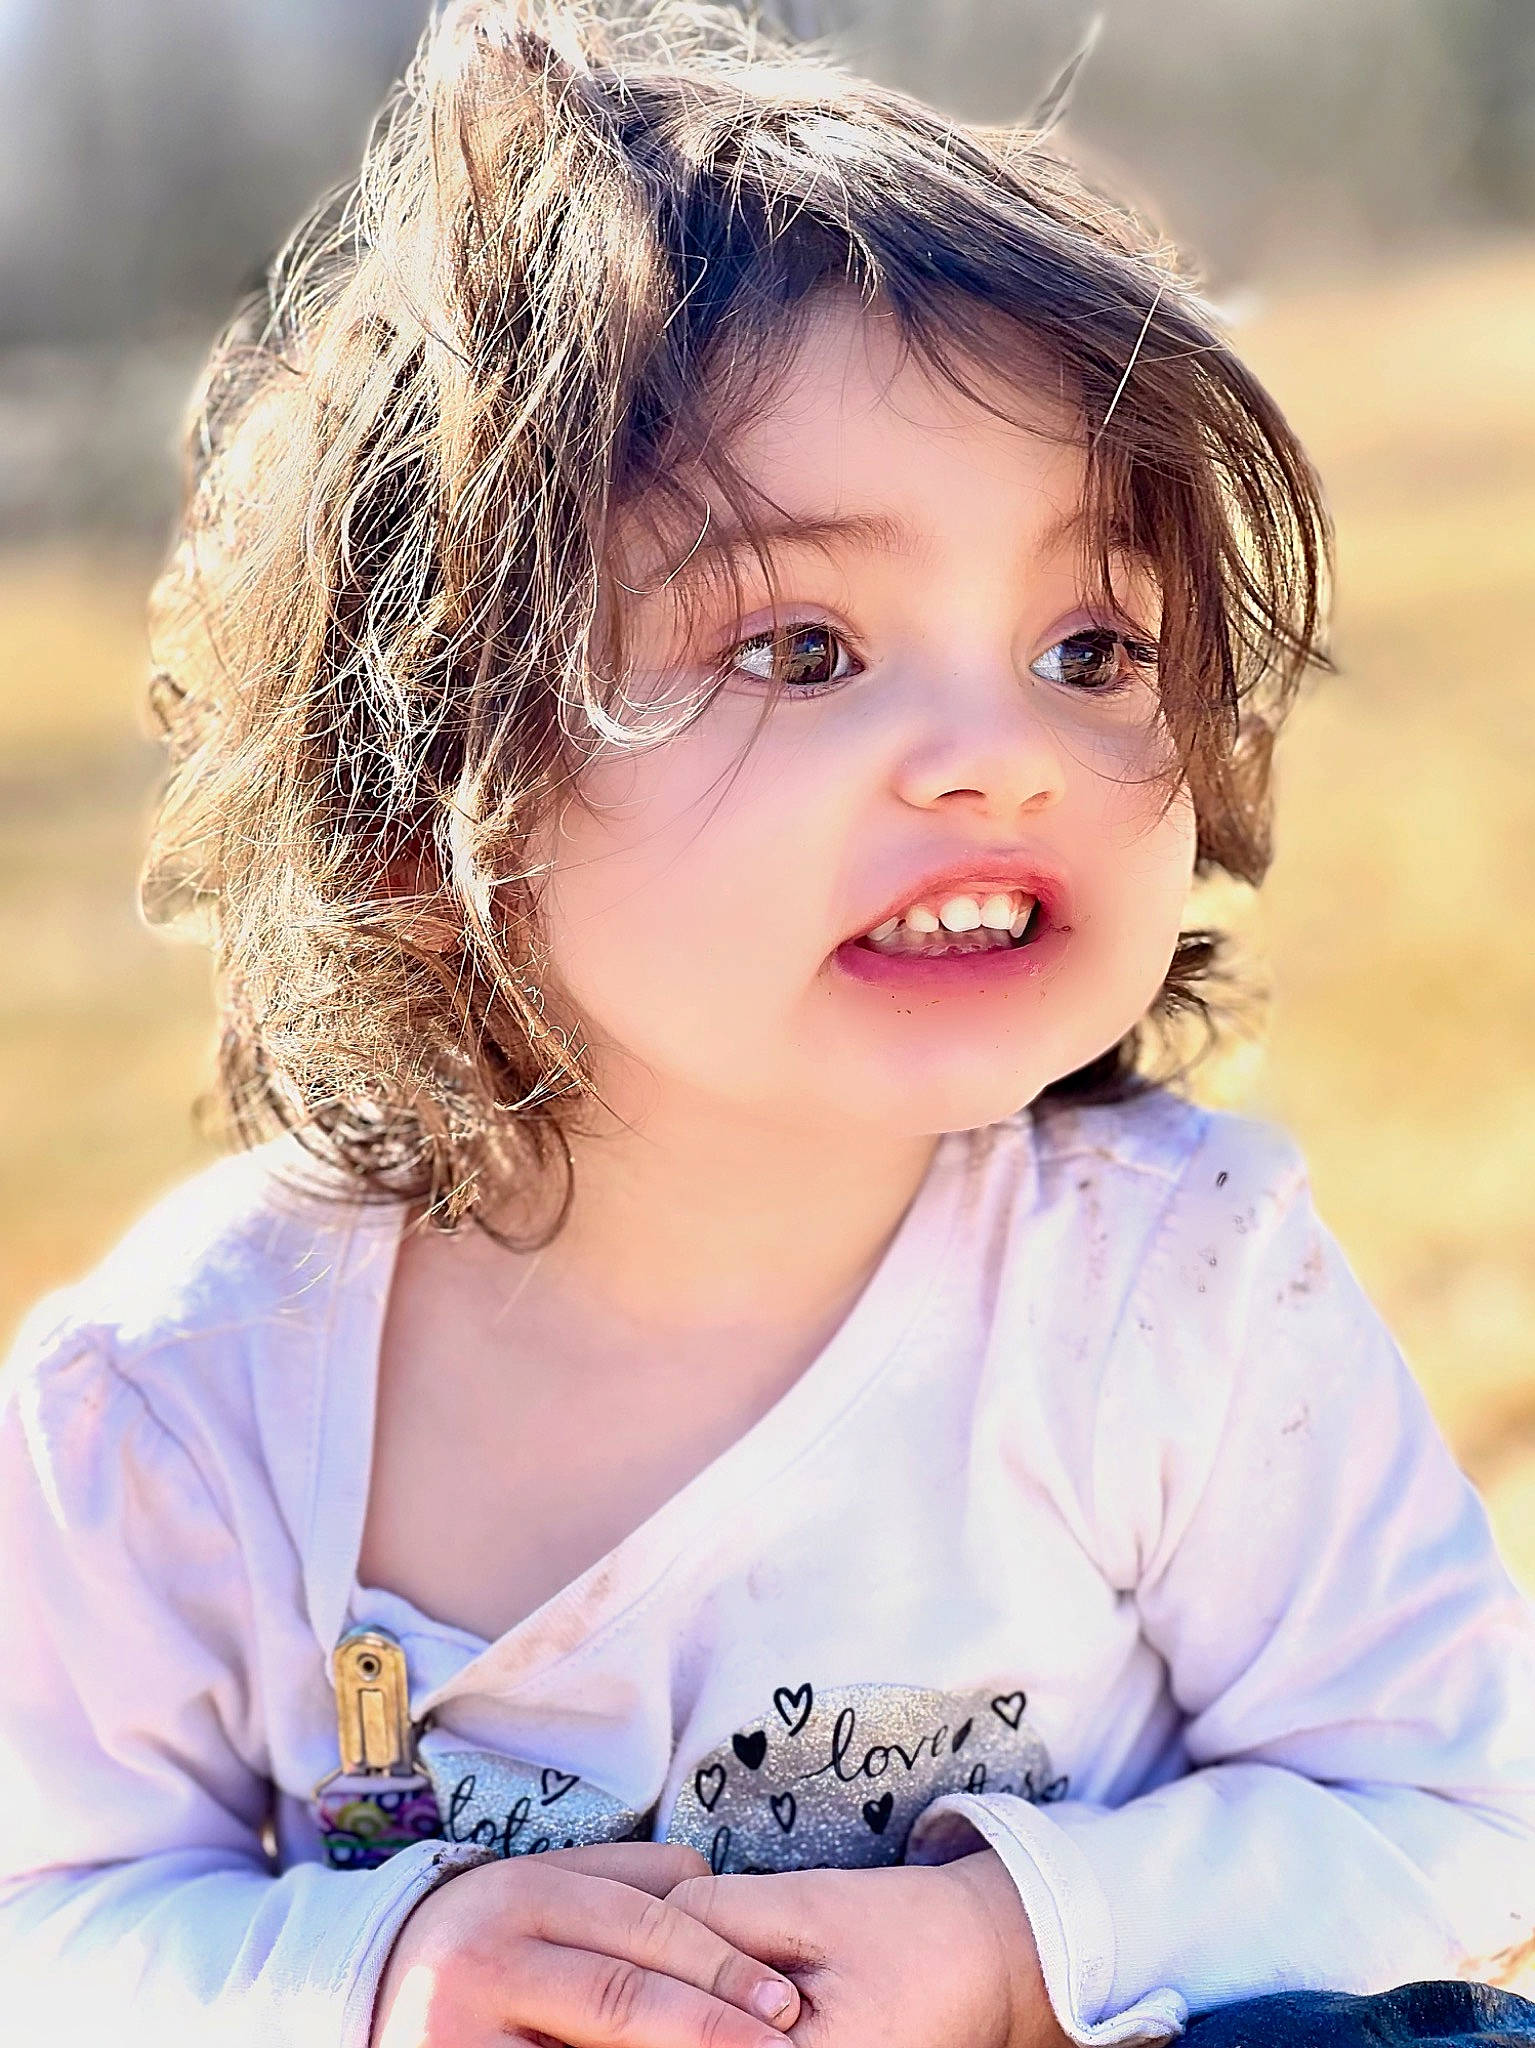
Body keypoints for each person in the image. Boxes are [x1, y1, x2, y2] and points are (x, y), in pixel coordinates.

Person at [2, 3, 1532, 2045]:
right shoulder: (182, 1409)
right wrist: (377, 1971)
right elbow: (46, 1920)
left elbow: (1453, 1804)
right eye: (802, 647)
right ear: (425, 792)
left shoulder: (1169, 1299)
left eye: (1093, 644)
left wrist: (1013, 1943)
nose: (1002, 755)